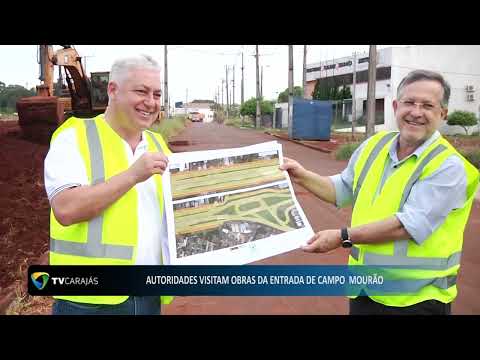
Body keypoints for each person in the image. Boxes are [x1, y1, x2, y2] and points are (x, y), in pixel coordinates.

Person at [280, 69, 479, 315]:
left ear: (443, 113)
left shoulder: (448, 165)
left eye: (428, 105)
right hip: (366, 290)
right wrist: (302, 175)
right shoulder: (375, 145)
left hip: (416, 300)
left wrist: (342, 236)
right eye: (409, 102)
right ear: (396, 106)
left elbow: (407, 225)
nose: (416, 112)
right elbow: (342, 189)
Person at [44, 54, 173, 315]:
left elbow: (194, 201)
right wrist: (132, 175)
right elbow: (66, 209)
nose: (151, 102)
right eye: (141, 91)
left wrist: (274, 176)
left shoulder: (159, 145)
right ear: (112, 90)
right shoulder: (73, 137)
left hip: (148, 295)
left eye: (157, 94)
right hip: (88, 301)